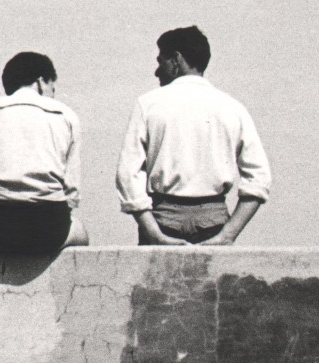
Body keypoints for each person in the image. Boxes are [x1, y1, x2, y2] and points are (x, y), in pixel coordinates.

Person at [115, 24, 271, 246]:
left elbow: (127, 175)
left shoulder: (148, 104)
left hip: (162, 220)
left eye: (161, 61)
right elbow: (259, 177)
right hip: (214, 221)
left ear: (176, 60)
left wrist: (153, 233)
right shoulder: (232, 107)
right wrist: (228, 235)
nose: (157, 71)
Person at [0, 51, 89, 254]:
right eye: (52, 87)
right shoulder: (66, 115)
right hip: (49, 229)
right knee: (81, 232)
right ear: (41, 82)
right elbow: (71, 191)